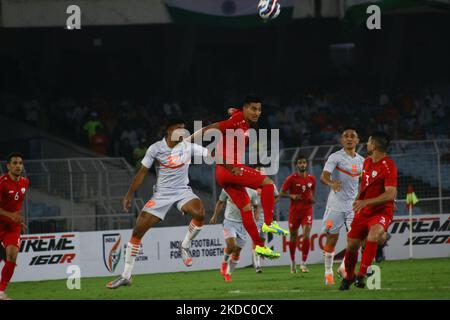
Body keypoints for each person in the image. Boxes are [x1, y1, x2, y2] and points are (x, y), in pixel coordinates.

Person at [107, 119, 209, 289]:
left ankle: (184, 245)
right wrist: (129, 195)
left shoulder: (188, 146)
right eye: (178, 129)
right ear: (168, 131)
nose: (182, 132)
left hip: (182, 191)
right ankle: (126, 275)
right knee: (137, 231)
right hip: (162, 194)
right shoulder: (155, 148)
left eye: (183, 129)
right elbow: (141, 173)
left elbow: (210, 154)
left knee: (199, 213)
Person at [187, 95, 288, 259]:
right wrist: (188, 139)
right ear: (245, 109)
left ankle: (260, 247)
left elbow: (232, 111)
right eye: (253, 109)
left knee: (246, 209)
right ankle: (269, 223)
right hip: (231, 169)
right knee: (268, 184)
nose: (257, 112)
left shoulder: (241, 120)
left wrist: (233, 111)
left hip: (222, 173)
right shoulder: (237, 121)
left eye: (259, 109)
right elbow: (210, 128)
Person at [340, 131, 397, 290]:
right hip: (364, 210)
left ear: (375, 146)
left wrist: (367, 201)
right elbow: (365, 186)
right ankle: (349, 277)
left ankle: (361, 275)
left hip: (381, 211)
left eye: (369, 142)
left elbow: (391, 193)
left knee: (373, 234)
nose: (366, 144)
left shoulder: (388, 165)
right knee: (352, 244)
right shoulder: (366, 162)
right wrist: (359, 199)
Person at [320, 128, 364, 285]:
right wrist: (332, 183)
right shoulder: (335, 157)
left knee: (356, 240)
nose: (349, 138)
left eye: (353, 136)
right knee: (332, 238)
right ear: (341, 140)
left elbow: (366, 183)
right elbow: (324, 176)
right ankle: (328, 272)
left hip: (353, 205)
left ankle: (343, 267)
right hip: (336, 204)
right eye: (346, 136)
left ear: (358, 140)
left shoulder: (361, 161)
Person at [210, 188, 259, 282]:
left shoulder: (252, 191)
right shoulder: (227, 188)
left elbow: (256, 205)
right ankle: (224, 263)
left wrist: (256, 216)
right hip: (229, 221)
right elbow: (220, 202)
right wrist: (215, 216)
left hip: (244, 224)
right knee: (232, 246)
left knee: (236, 252)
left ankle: (228, 274)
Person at [0, 152, 29, 300]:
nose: (18, 166)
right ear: (8, 166)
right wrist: (10, 215)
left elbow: (16, 204)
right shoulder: (2, 183)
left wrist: (17, 218)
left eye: (20, 163)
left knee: (12, 255)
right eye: (15, 163)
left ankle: (1, 292)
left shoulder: (25, 182)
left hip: (12, 227)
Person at [280, 155, 316, 273]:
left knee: (306, 235)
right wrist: (291, 195)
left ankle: (304, 263)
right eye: (300, 163)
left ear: (306, 164)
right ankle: (292, 261)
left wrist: (312, 199)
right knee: (294, 237)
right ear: (296, 165)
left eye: (304, 163)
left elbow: (313, 195)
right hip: (295, 212)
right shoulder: (291, 179)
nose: (302, 165)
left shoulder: (312, 179)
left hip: (307, 210)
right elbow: (281, 193)